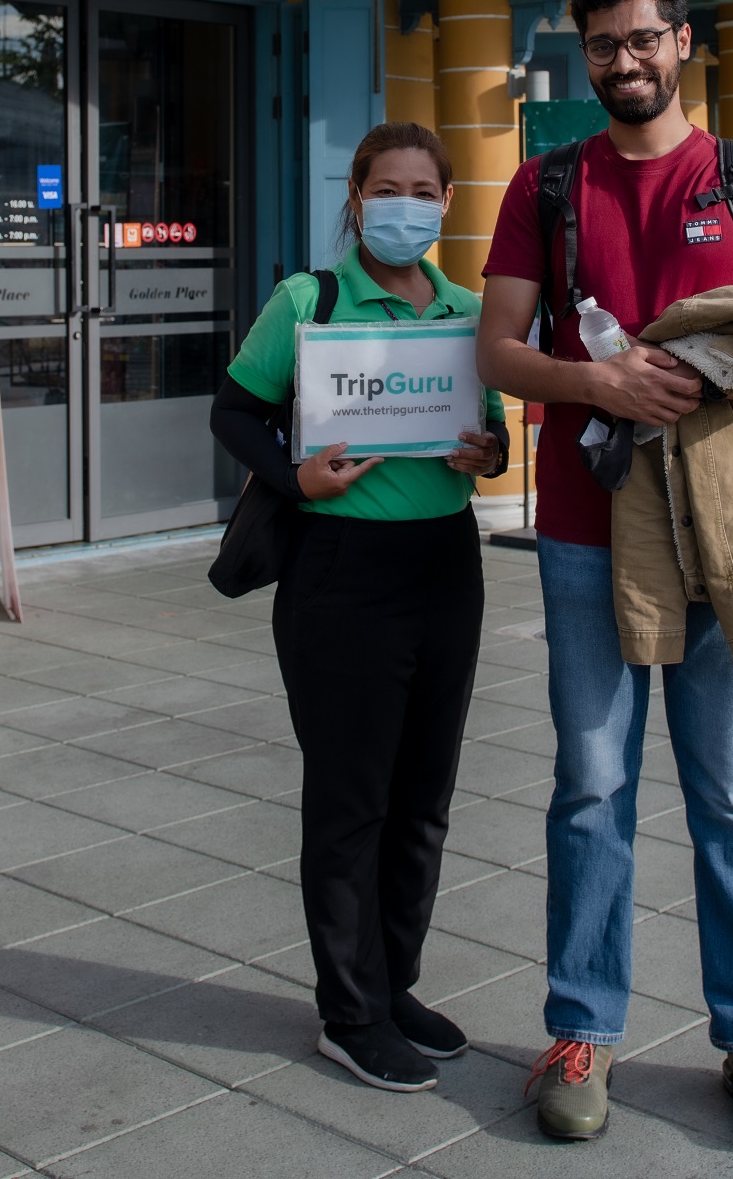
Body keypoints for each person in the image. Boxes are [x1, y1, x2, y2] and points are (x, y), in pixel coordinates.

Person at [473, 0, 733, 1152]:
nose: (623, 62)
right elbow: (496, 347)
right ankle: (581, 1023)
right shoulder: (545, 184)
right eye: (601, 45)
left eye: (642, 39)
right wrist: (599, 377)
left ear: (683, 41)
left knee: (731, 792)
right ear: (582, 54)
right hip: (585, 530)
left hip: (720, 533)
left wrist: (703, 368)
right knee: (590, 785)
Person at [208, 121, 509, 1094]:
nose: (405, 204)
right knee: (351, 802)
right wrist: (295, 477)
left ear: (446, 201)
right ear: (356, 194)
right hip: (340, 572)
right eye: (388, 187)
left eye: (423, 187)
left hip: (445, 565)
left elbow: (494, 435)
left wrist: (488, 454)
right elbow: (235, 409)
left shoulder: (470, 311)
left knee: (423, 799)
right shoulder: (312, 298)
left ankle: (394, 982)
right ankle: (348, 1010)